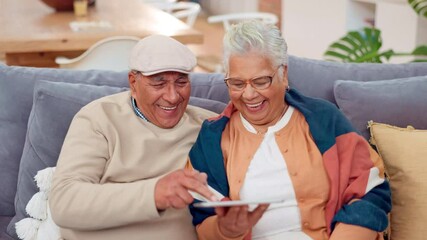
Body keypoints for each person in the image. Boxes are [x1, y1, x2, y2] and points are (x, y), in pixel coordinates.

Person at [187, 20, 391, 240]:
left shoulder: (323, 120)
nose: (248, 95)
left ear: (283, 74)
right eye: (237, 84)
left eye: (260, 81)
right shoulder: (213, 138)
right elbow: (201, 214)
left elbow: (372, 190)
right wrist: (225, 229)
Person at [49, 35, 218, 240]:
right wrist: (155, 193)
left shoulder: (209, 126)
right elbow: (65, 201)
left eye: (181, 82)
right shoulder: (99, 118)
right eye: (159, 84)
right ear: (133, 82)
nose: (173, 96)